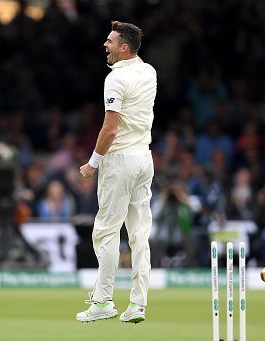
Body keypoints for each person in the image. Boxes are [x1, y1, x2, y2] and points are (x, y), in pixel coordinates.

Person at [76, 21, 156, 324]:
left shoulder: (116, 79)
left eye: (110, 41)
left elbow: (109, 130)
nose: (105, 45)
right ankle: (138, 305)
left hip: (120, 159)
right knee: (139, 233)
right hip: (144, 158)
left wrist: (92, 163)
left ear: (124, 47)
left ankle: (103, 301)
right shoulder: (149, 72)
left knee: (107, 230)